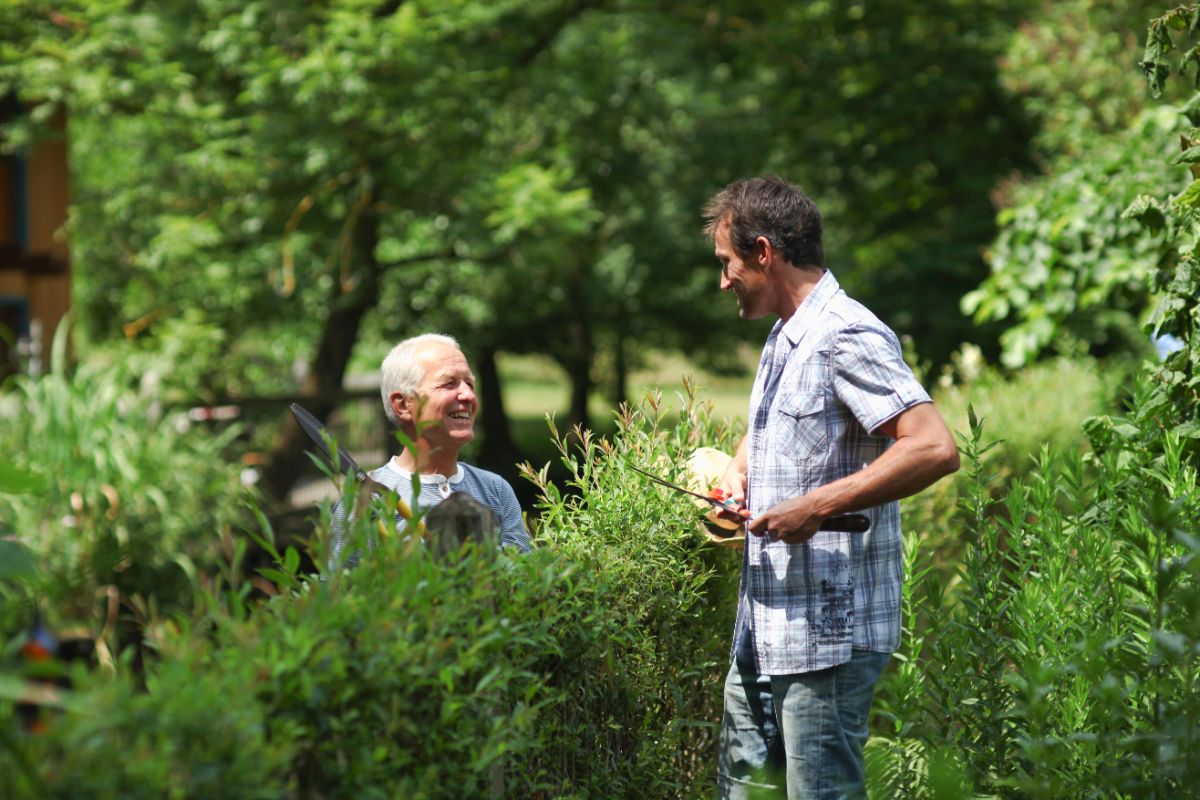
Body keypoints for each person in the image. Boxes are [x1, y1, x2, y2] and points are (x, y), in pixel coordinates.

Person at [704, 177, 960, 799]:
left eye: (726, 263)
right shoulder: (781, 335)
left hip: (826, 636)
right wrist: (739, 471)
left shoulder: (846, 332)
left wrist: (816, 506)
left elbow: (934, 446)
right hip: (764, 624)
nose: (722, 281)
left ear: (763, 252)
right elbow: (771, 429)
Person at [329, 333, 531, 569]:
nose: (468, 395)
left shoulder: (495, 489)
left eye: (470, 383)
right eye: (449, 383)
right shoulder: (361, 503)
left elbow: (525, 582)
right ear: (404, 405)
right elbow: (338, 597)